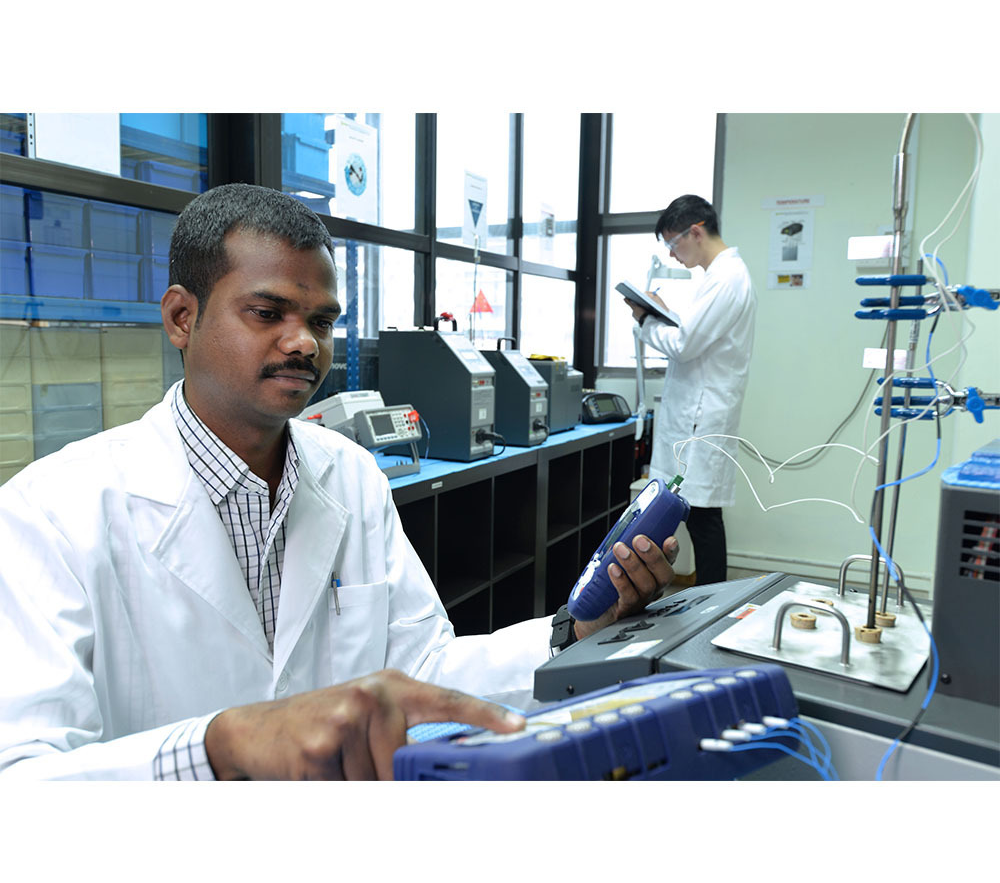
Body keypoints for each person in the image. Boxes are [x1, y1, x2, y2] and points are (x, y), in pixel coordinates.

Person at [0, 183, 677, 781]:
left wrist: (571, 633)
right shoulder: (51, 512)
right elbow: (23, 775)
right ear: (182, 317)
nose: (304, 343)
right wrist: (221, 746)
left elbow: (419, 673)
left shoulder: (349, 474)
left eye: (322, 322)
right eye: (268, 313)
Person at [623, 194, 756, 587]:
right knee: (694, 514)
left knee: (703, 518)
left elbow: (684, 344)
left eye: (672, 243)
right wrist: (663, 315)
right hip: (697, 413)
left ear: (695, 232)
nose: (672, 254)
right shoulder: (719, 277)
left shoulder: (727, 278)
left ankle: (711, 602)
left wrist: (646, 320)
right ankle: (702, 598)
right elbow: (694, 335)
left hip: (702, 417)